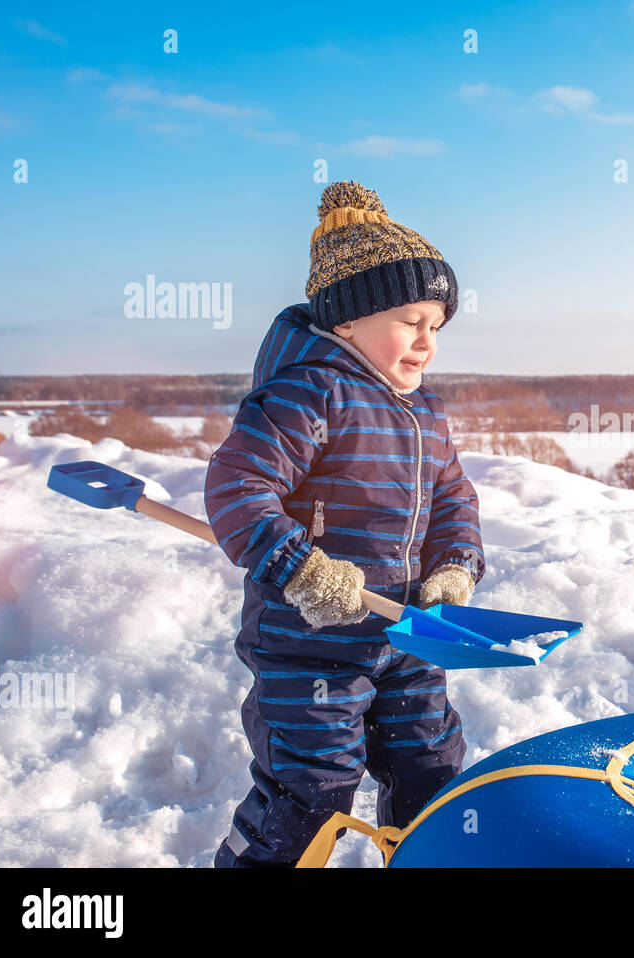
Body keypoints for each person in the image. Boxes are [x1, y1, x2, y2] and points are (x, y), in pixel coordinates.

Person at [204, 180, 484, 866]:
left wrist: (454, 566)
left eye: (436, 327)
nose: (427, 342)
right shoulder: (308, 392)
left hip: (409, 634)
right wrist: (300, 568)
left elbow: (454, 499)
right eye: (411, 320)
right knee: (313, 786)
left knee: (432, 771)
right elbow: (238, 486)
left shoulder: (426, 414)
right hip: (310, 644)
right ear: (347, 320)